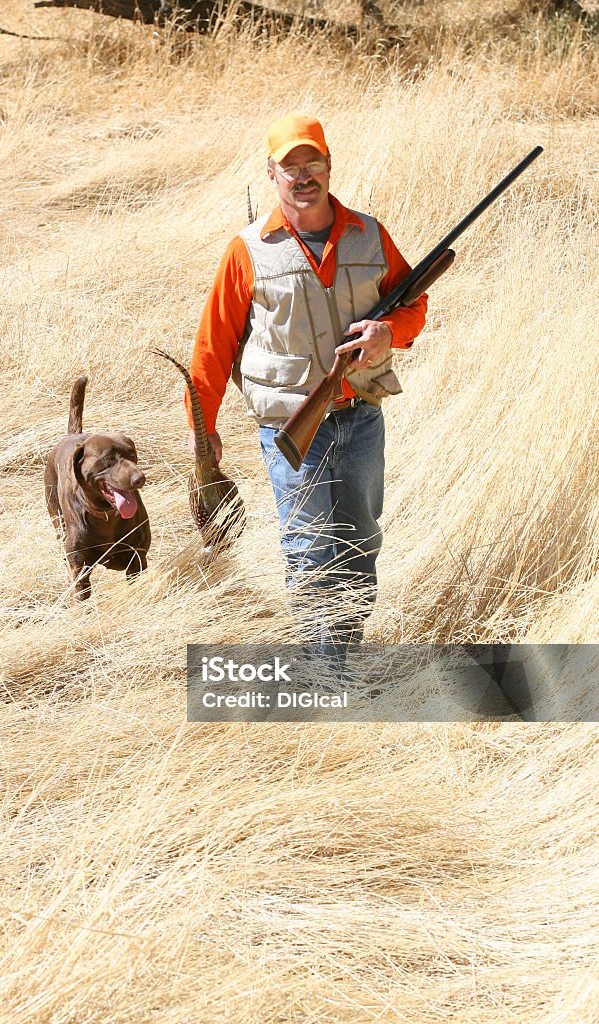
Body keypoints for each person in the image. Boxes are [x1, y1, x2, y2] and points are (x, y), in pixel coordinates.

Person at [185, 112, 427, 675]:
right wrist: (206, 429)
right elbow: (213, 346)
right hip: (291, 427)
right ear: (271, 174)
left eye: (311, 162)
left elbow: (412, 303)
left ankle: (343, 651)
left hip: (361, 416)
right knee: (309, 548)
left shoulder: (370, 233)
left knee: (360, 543)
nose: (302, 175)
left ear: (328, 165)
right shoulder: (248, 249)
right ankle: (325, 672)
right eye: (289, 166)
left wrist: (389, 333)